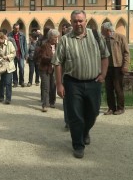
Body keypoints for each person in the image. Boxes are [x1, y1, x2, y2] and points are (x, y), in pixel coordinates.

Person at [53, 10, 110, 159]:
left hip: (93, 83)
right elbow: (57, 63)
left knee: (93, 113)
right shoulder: (65, 40)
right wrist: (59, 84)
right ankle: (78, 145)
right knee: (75, 116)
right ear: (71, 22)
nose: (78, 23)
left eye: (81, 20)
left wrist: (103, 74)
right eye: (75, 21)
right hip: (73, 83)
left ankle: (85, 132)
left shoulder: (96, 36)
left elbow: (105, 56)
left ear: (86, 21)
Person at [101, 22, 130, 115]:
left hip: (118, 67)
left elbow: (126, 53)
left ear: (108, 30)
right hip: (107, 67)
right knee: (109, 89)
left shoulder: (121, 38)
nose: (101, 32)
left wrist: (125, 65)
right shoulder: (104, 39)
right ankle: (111, 108)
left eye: (102, 30)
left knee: (118, 89)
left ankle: (121, 108)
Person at [36, 29, 59, 112]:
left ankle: (52, 102)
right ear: (50, 37)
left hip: (54, 69)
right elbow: (42, 57)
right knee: (46, 87)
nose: (56, 39)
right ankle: (44, 105)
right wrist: (52, 58)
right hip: (45, 68)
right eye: (55, 37)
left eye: (57, 37)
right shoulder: (45, 45)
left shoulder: (58, 46)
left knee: (53, 86)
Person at [0, 32, 16, 104]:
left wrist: (7, 57)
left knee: (8, 82)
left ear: (2, 38)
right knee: (1, 82)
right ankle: (1, 97)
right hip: (1, 67)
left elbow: (14, 53)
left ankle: (8, 98)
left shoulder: (9, 44)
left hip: (9, 66)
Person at [8, 23, 28, 87]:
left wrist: (26, 54)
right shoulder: (10, 35)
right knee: (14, 69)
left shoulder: (22, 35)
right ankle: (15, 82)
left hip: (21, 54)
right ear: (13, 28)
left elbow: (25, 45)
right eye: (16, 28)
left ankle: (21, 82)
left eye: (18, 28)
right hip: (13, 55)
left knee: (21, 68)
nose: (17, 30)